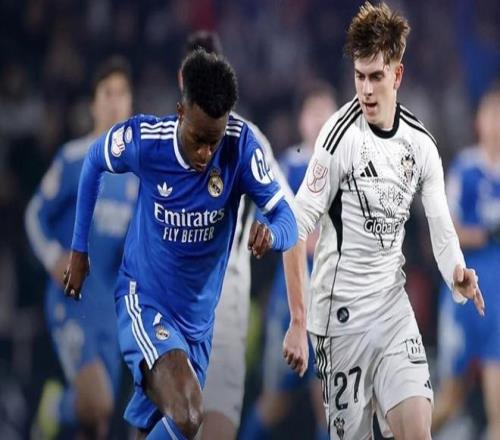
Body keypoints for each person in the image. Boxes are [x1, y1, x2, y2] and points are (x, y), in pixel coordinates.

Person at [63, 49, 297, 440]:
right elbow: (94, 160)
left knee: (161, 427)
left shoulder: (240, 146)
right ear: (180, 111)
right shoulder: (146, 140)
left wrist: (272, 234)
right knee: (189, 414)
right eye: (198, 140)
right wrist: (78, 249)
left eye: (213, 142)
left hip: (198, 325)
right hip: (146, 300)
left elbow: (288, 217)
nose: (206, 153)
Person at [281, 2, 485, 439]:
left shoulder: (421, 145)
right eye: (360, 76)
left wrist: (457, 272)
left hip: (392, 311)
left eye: (376, 76)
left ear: (398, 75)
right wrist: (297, 321)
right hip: (340, 320)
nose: (367, 90)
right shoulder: (337, 138)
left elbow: (441, 226)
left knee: (417, 429)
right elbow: (293, 228)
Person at [178, 31, 294, 440]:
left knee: (218, 429)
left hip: (226, 300)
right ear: (182, 80)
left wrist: (273, 232)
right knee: (166, 422)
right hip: (170, 302)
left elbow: (288, 215)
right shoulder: (160, 139)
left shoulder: (249, 141)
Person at [25, 56, 136, 439]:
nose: (115, 102)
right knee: (98, 402)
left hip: (109, 308)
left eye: (122, 94)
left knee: (97, 424)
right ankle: (52, 407)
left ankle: (58, 419)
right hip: (71, 300)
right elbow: (34, 213)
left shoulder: (138, 176)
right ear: (93, 104)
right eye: (107, 93)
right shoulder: (74, 158)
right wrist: (52, 257)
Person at [240, 82, 336, 440]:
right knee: (274, 402)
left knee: (329, 404)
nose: (320, 119)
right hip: (290, 299)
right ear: (301, 120)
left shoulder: (348, 169)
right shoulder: (287, 166)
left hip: (333, 300)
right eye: (313, 112)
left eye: (326, 111)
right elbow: (270, 227)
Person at [433, 84, 500, 439]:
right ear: (478, 121)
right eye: (491, 113)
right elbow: (447, 230)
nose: (496, 122)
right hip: (464, 298)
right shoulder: (465, 168)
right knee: (450, 401)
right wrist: (487, 233)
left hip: (498, 304)